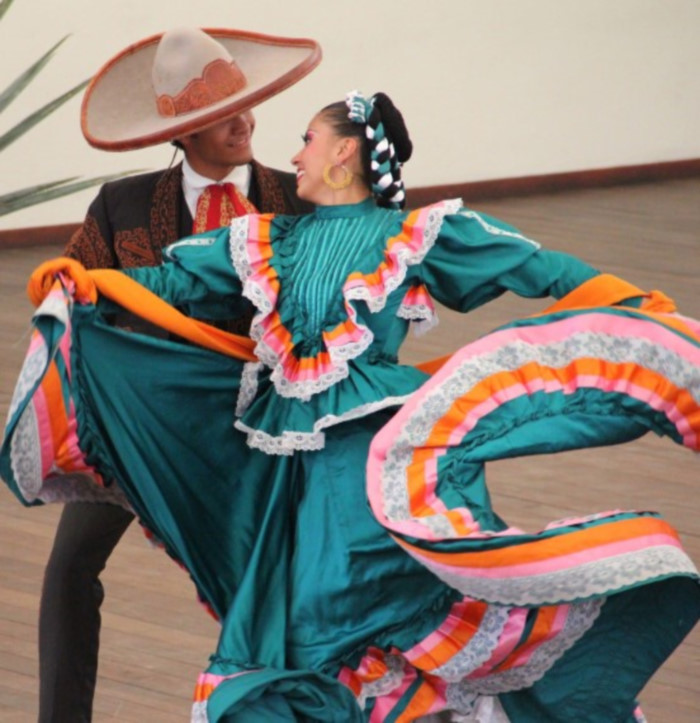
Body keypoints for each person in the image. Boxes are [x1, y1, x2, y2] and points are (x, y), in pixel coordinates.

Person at [3, 89, 699, 722]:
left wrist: (638, 307)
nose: (294, 153)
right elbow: (170, 278)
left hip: (374, 455)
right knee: (298, 623)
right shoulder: (269, 238)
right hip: (288, 477)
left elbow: (536, 268)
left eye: (307, 139)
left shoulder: (416, 234)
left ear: (344, 154)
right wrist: (87, 282)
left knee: (345, 611)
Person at [34, 26, 319, 723]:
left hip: (261, 434)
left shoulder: (298, 200)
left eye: (249, 104)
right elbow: (74, 310)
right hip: (142, 430)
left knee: (282, 585)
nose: (246, 120)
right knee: (70, 569)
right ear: (183, 128)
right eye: (226, 112)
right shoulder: (119, 206)